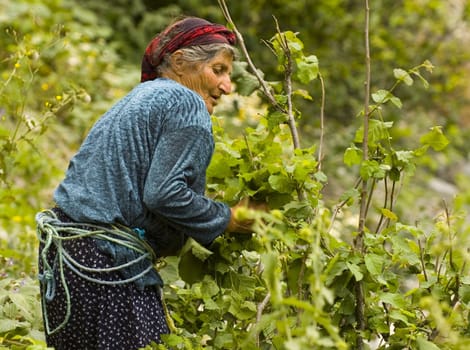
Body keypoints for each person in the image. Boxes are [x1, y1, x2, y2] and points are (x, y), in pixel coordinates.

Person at [36, 16, 259, 350]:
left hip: (67, 256)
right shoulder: (187, 105)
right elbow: (165, 194)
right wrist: (227, 218)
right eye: (218, 70)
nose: (227, 87)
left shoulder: (141, 97)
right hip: (105, 262)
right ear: (181, 63)